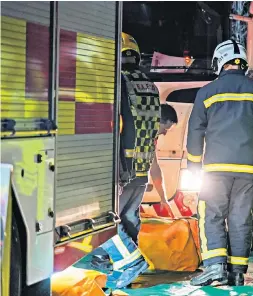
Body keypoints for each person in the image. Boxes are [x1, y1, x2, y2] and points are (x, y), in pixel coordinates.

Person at [186, 39, 253, 287]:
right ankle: (237, 273)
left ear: (219, 62)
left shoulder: (207, 92)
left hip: (215, 170)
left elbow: (195, 132)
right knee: (241, 219)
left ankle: (214, 269)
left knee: (211, 215)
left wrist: (194, 166)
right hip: (250, 170)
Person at [89, 32, 162, 289]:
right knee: (130, 219)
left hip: (121, 167)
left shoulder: (118, 82)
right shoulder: (151, 85)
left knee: (109, 221)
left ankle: (129, 263)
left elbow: (116, 124)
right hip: (141, 167)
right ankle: (124, 277)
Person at [148, 104, 178, 216]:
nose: (165, 133)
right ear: (158, 121)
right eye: (165, 128)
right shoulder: (142, 135)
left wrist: (163, 198)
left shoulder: (152, 138)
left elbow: (154, 167)